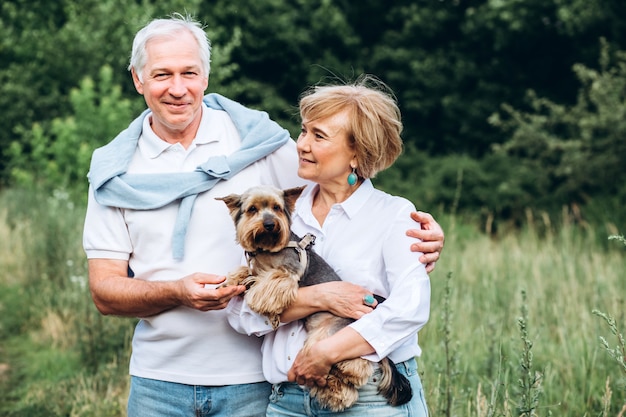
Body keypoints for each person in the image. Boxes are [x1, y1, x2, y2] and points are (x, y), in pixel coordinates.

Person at [82, 13, 443, 417]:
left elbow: (344, 175)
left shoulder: (258, 143)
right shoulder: (114, 172)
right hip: (164, 380)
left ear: (206, 76)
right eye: (162, 74)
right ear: (138, 79)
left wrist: (422, 233)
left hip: (257, 383)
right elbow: (107, 292)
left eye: (190, 72)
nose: (178, 88)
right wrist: (178, 291)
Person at [227, 76, 431, 416]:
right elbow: (242, 314)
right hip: (287, 400)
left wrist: (325, 352)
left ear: (357, 152)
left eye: (318, 136)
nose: (302, 144)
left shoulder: (394, 215)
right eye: (304, 131)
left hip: (368, 398)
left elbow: (409, 309)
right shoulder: (280, 213)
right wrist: (317, 297)